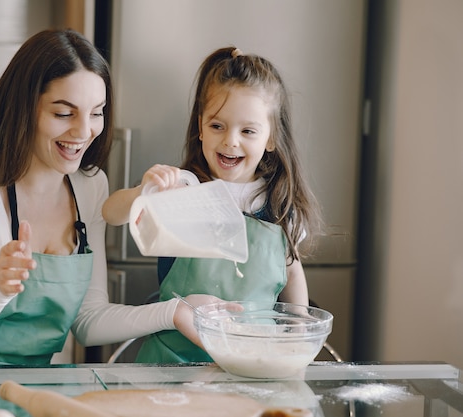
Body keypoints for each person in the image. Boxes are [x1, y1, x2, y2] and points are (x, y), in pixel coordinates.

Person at [0, 29, 212, 367]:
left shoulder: (89, 186)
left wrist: (175, 312)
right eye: (64, 113)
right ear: (24, 109)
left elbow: (88, 320)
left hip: (34, 389)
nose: (83, 132)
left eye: (96, 112)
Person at [102, 46, 322, 363]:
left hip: (252, 362)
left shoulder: (280, 207)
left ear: (271, 139)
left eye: (248, 130)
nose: (230, 140)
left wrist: (299, 332)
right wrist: (143, 191)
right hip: (173, 366)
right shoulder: (181, 192)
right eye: (217, 126)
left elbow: (292, 270)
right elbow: (109, 213)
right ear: (201, 127)